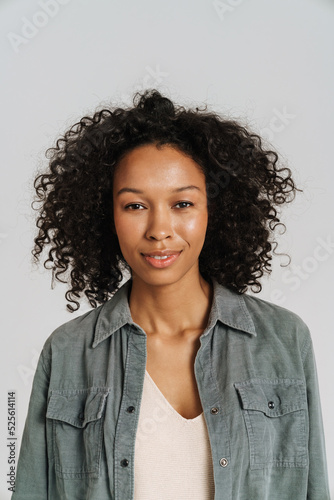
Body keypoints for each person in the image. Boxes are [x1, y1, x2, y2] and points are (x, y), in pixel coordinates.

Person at [12, 89, 330, 500]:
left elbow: (313, 489)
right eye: (134, 206)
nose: (159, 230)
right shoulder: (69, 352)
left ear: (214, 210)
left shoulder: (283, 339)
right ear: (105, 214)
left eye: (182, 203)